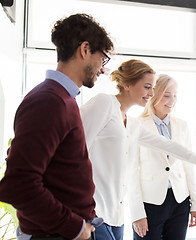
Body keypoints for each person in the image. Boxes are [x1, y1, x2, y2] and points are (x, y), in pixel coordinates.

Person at [79, 59, 196, 240]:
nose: (151, 93)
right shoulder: (104, 103)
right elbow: (75, 149)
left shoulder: (132, 124)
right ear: (127, 84)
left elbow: (169, 146)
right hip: (93, 208)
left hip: (115, 213)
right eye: (147, 87)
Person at [0, 13, 113, 240]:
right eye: (103, 58)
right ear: (85, 49)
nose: (103, 68)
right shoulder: (49, 101)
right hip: (57, 234)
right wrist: (74, 227)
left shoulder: (61, 99)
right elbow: (18, 184)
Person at [128, 74, 196, 240]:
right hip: (150, 203)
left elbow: (188, 166)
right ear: (154, 95)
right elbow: (130, 172)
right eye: (166, 95)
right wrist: (137, 213)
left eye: (175, 95)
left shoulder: (182, 125)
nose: (172, 100)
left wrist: (195, 204)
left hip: (179, 201)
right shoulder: (136, 125)